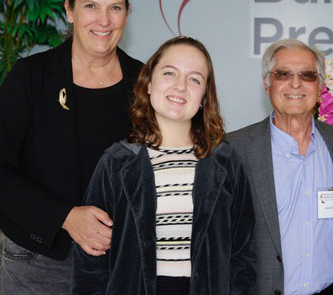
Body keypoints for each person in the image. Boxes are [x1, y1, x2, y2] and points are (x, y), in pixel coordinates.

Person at [0, 0, 143, 294]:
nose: (104, 21)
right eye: (91, 6)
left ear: (127, 13)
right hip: (37, 265)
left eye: (115, 8)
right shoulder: (30, 76)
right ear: (69, 10)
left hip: (120, 266)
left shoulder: (145, 83)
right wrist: (65, 217)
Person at [72, 36, 256, 294]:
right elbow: (90, 264)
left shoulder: (226, 163)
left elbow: (243, 256)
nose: (181, 86)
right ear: (148, 84)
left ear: (204, 96)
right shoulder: (116, 163)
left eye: (194, 79)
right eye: (170, 73)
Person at [227, 39, 333, 295]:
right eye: (283, 74)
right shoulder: (233, 149)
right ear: (267, 83)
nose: (296, 83)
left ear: (320, 86)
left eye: (307, 75)